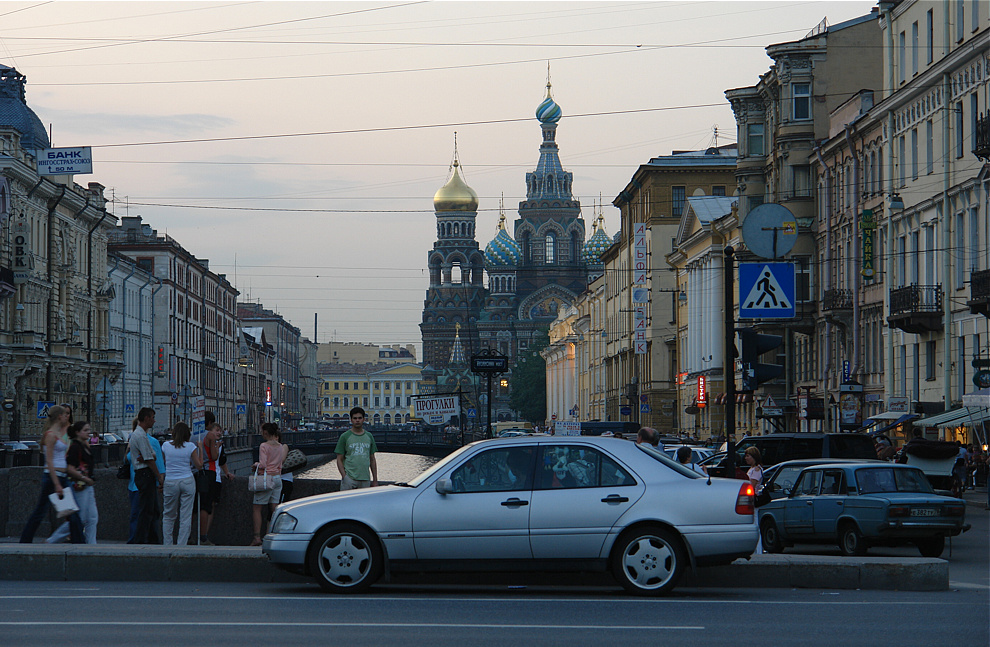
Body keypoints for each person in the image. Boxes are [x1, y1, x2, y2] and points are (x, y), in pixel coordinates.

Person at [20, 405, 84, 544]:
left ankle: (80, 543)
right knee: (42, 513)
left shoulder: (57, 434)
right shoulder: (50, 435)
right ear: (59, 416)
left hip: (61, 477)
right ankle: (25, 541)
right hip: (53, 478)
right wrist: (57, 484)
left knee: (71, 512)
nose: (67, 416)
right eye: (64, 414)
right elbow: (48, 461)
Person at [47, 421, 98, 544]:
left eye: (88, 430)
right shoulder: (75, 447)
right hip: (79, 486)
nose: (88, 432)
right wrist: (85, 479)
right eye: (85, 430)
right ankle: (52, 540)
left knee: (92, 518)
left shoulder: (84, 445)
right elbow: (70, 468)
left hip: (87, 486)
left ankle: (91, 545)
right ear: (77, 432)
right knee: (78, 519)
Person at [161, 422, 203, 546]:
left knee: (168, 514)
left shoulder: (165, 445)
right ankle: (181, 545)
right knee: (185, 516)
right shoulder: (190, 446)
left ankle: (167, 544)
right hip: (187, 480)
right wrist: (200, 449)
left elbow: (165, 462)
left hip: (170, 481)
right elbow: (199, 466)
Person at [128, 407, 164, 544]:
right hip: (145, 474)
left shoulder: (138, 434)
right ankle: (141, 541)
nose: (154, 421)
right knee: (146, 510)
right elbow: (149, 459)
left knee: (153, 510)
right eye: (153, 418)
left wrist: (149, 457)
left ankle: (152, 540)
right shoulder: (140, 435)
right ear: (147, 418)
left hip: (143, 474)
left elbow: (150, 455)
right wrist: (159, 476)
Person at [251, 422, 288, 546]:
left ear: (265, 433)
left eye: (262, 432)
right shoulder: (279, 446)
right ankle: (274, 535)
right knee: (275, 509)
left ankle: (257, 538)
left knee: (257, 508)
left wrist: (255, 465)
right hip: (278, 478)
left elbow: (263, 464)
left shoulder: (264, 446)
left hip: (266, 479)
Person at [198, 422, 233, 545]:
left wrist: (227, 472)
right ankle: (203, 536)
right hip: (211, 476)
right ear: (210, 430)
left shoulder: (198, 438)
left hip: (202, 474)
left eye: (221, 431)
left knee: (199, 506)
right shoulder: (213, 442)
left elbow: (222, 461)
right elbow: (214, 457)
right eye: (217, 430)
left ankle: (194, 536)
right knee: (208, 507)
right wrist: (216, 447)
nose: (219, 433)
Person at [335, 407, 378, 490]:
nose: (357, 420)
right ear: (351, 420)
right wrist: (345, 477)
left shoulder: (369, 436)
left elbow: (372, 459)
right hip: (350, 479)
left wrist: (375, 480)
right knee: (347, 502)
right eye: (355, 418)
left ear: (363, 419)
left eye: (359, 418)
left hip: (365, 479)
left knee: (364, 503)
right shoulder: (345, 436)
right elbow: (339, 459)